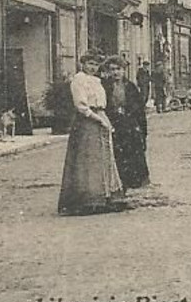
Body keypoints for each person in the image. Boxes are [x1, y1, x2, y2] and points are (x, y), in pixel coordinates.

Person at [57, 56, 126, 215]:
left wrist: (106, 121)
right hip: (87, 121)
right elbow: (81, 106)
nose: (93, 67)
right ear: (82, 64)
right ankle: (88, 199)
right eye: (90, 64)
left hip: (100, 117)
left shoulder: (97, 81)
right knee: (89, 159)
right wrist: (98, 119)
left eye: (96, 64)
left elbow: (102, 104)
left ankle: (106, 196)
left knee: (104, 157)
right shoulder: (79, 80)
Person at [100, 57, 150, 189]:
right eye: (112, 69)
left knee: (131, 153)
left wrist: (142, 130)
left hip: (129, 125)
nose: (116, 72)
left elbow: (139, 110)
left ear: (124, 71)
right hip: (113, 124)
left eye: (118, 69)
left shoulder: (131, 87)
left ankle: (133, 181)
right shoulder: (104, 87)